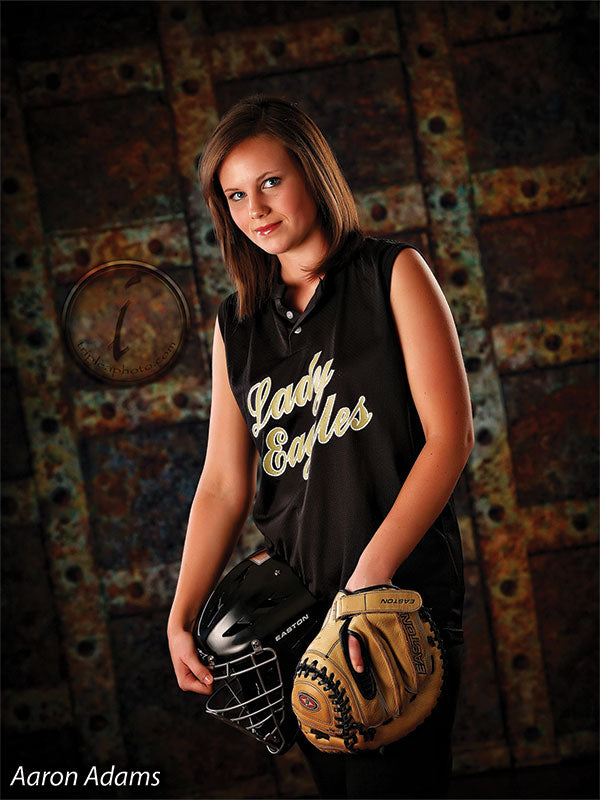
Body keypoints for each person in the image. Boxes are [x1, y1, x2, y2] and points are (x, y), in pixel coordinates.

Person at [167, 94, 474, 799]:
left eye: (270, 182)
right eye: (235, 194)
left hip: (395, 602)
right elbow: (221, 484)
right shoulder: (237, 323)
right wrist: (181, 616)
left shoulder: (393, 274)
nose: (255, 208)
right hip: (298, 615)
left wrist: (369, 578)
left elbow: (448, 440)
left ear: (312, 172)